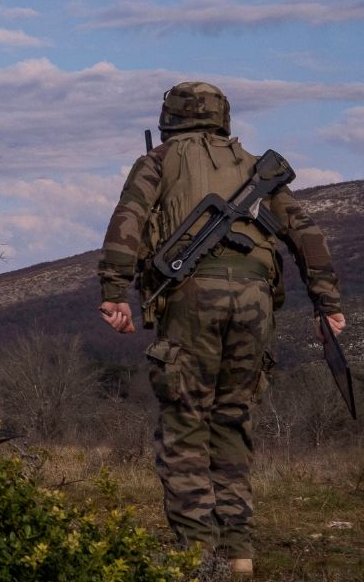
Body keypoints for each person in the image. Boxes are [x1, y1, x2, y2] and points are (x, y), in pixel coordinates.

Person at [97, 82, 345, 575]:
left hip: (191, 299)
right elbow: (306, 233)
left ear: (170, 117)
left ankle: (197, 556)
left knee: (186, 423)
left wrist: (113, 292)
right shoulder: (254, 164)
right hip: (255, 303)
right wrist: (327, 304)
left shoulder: (160, 161)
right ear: (221, 117)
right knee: (232, 420)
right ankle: (240, 553)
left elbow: (128, 219)